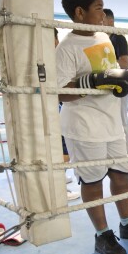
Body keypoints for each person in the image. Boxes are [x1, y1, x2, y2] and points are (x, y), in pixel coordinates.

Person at [56, 0, 128, 254]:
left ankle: (127, 225)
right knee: (93, 182)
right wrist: (94, 81)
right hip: (84, 126)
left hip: (112, 121)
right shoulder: (65, 48)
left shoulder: (103, 36)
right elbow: (62, 93)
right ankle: (102, 235)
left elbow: (111, 75)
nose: (103, 14)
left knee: (122, 177)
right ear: (79, 12)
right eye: (98, 8)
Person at [103, 8, 128, 174]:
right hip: (112, 85)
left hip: (122, 83)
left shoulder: (118, 38)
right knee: (115, 120)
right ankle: (121, 157)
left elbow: (124, 63)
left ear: (110, 21)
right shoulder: (103, 40)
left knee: (121, 119)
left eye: (101, 19)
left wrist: (105, 68)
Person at [55, 28, 80, 201]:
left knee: (61, 147)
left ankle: (59, 183)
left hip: (55, 105)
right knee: (61, 148)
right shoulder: (55, 56)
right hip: (53, 106)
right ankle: (59, 188)